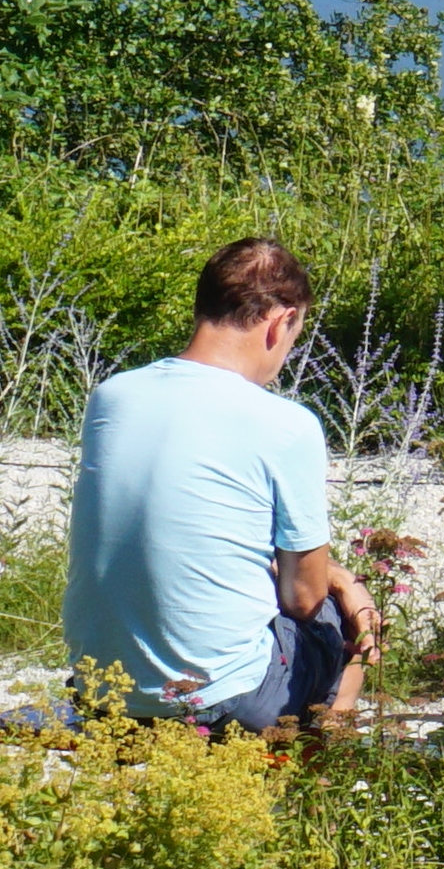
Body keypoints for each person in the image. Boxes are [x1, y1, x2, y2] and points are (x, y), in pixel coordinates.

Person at [61, 237, 377, 733]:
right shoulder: (286, 423)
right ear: (280, 323)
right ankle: (322, 760)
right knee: (345, 614)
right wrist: (346, 582)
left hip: (102, 692)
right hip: (224, 702)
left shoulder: (112, 396)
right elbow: (303, 597)